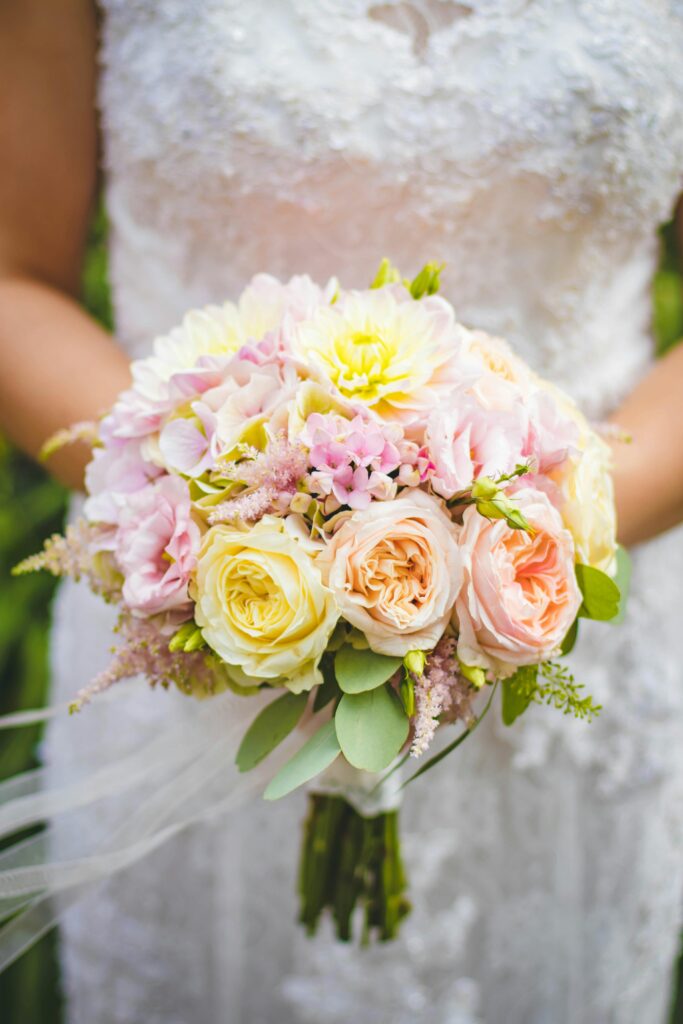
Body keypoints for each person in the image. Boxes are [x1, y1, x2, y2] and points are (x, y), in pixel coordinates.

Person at [2, 2, 683, 1021]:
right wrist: (222, 518)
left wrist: (504, 539)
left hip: (570, 637)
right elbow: (13, 279)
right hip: (206, 621)